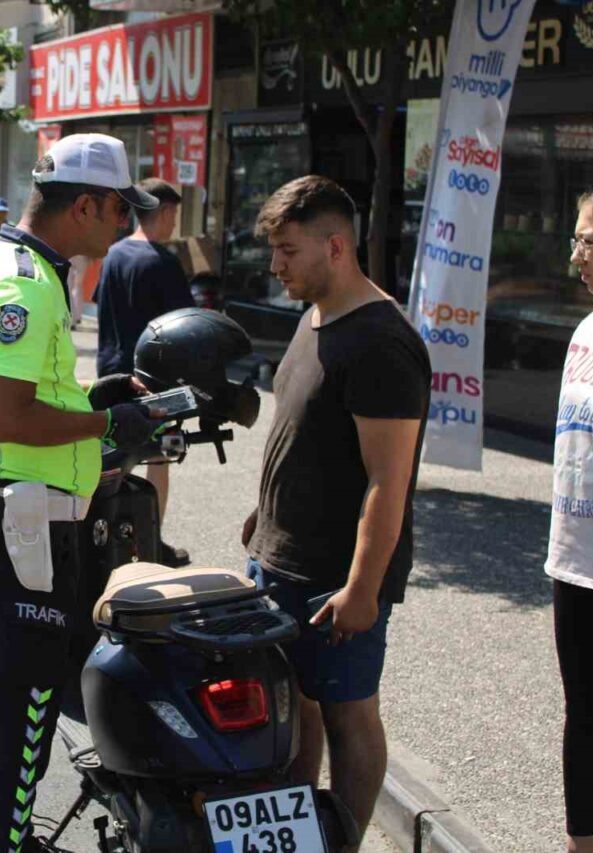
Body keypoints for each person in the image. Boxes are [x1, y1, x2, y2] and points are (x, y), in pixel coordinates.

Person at [0, 133, 163, 853]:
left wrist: (86, 396)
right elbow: (10, 414)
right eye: (119, 210)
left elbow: (20, 397)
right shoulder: (26, 284)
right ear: (87, 205)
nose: (124, 225)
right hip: (22, 529)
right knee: (19, 725)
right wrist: (107, 419)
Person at [241, 175, 429, 848]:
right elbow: (301, 432)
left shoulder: (380, 341)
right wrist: (260, 516)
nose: (275, 265)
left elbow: (388, 480)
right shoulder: (315, 312)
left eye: (288, 250)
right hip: (278, 556)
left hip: (332, 577)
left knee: (350, 713)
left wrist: (362, 588)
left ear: (336, 245)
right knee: (296, 710)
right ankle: (297, 834)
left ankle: (341, 841)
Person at [546, 180, 593, 853]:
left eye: (587, 240)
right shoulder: (591, 328)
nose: (575, 254)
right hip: (575, 560)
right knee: (584, 715)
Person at [93, 178, 194, 567]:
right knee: (157, 459)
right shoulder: (163, 262)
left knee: (113, 455)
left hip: (110, 372)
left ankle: (107, 532)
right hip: (151, 380)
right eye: (174, 215)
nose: (173, 223)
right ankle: (151, 543)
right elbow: (185, 326)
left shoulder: (114, 254)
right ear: (165, 212)